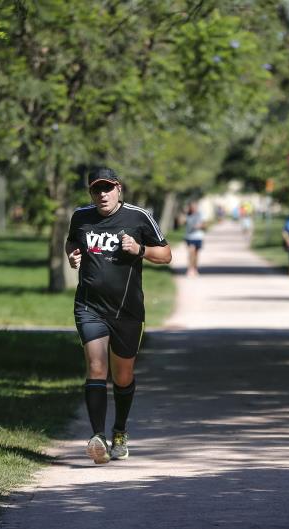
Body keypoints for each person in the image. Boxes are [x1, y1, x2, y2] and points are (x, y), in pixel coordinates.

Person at [65, 167, 172, 464]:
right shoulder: (81, 216)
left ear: (118, 189)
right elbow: (72, 241)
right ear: (90, 193)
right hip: (90, 306)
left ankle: (120, 432)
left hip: (127, 309)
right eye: (96, 190)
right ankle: (97, 437)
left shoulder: (139, 217)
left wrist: (139, 249)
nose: (102, 195)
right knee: (96, 365)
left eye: (107, 188)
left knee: (123, 375)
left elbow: (166, 255)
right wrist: (71, 254)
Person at [184, 201, 205, 277]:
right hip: (189, 236)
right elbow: (182, 222)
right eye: (192, 207)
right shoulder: (187, 214)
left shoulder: (200, 214)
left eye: (195, 207)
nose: (194, 208)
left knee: (196, 254)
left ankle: (195, 268)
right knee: (191, 252)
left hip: (198, 236)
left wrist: (200, 226)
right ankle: (190, 269)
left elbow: (204, 225)